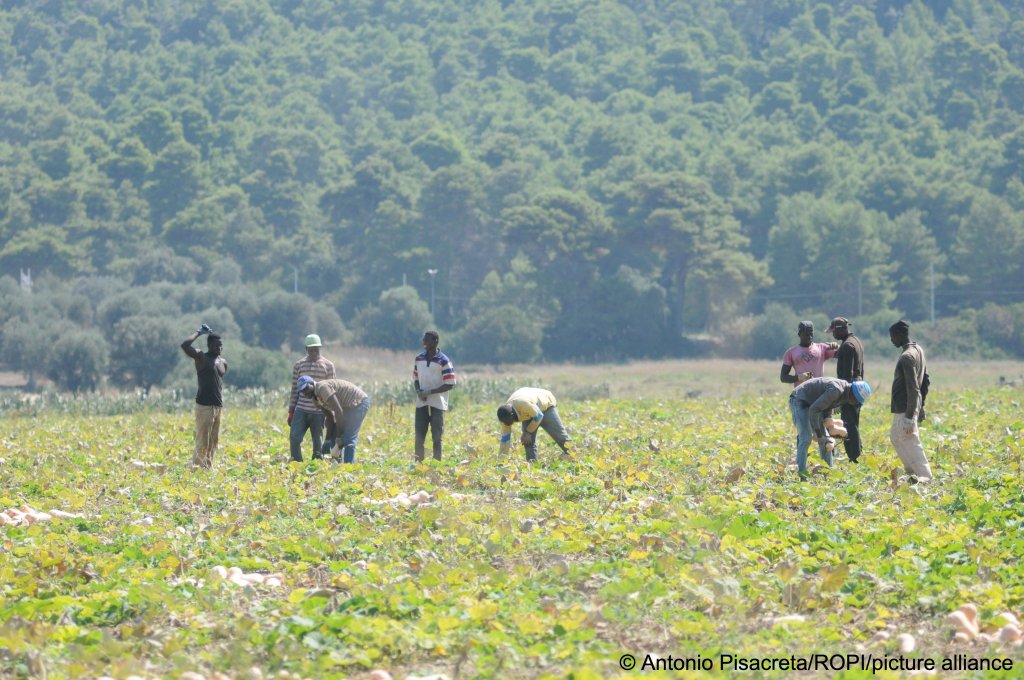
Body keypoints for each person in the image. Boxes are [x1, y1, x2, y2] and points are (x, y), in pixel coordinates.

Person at [789, 377, 872, 479]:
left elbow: (827, 406)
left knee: (827, 441)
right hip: (799, 399)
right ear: (853, 395)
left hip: (814, 404)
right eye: (856, 400)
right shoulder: (836, 390)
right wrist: (819, 434)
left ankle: (827, 475)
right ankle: (801, 475)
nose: (855, 403)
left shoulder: (844, 393)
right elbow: (814, 410)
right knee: (806, 438)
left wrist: (828, 425)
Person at [889, 320, 932, 482]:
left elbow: (913, 388)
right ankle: (912, 472)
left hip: (905, 407)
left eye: (892, 337)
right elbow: (926, 381)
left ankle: (925, 476)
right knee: (896, 437)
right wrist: (921, 407)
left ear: (900, 335)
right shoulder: (918, 350)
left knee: (910, 439)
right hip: (911, 405)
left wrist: (910, 415)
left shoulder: (907, 357)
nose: (892, 340)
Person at [180, 324, 227, 468]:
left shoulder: (223, 363)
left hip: (217, 406)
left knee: (213, 441)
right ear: (209, 345)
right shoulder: (201, 358)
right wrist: (199, 333)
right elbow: (185, 345)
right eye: (215, 345)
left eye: (220, 345)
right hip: (204, 406)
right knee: (203, 441)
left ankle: (208, 467)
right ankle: (196, 468)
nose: (218, 348)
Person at [297, 376, 371, 464]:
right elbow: (330, 418)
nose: (305, 392)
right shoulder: (315, 399)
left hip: (359, 402)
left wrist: (339, 438)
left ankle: (348, 466)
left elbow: (339, 412)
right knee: (334, 433)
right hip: (346, 407)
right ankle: (337, 462)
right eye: (302, 391)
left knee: (348, 438)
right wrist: (327, 440)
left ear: (312, 383)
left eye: (306, 388)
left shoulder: (322, 388)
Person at [287, 334, 336, 462]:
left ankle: (317, 466)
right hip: (301, 409)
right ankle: (297, 463)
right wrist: (291, 411)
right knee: (294, 438)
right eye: (311, 349)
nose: (314, 352)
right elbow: (294, 390)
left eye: (317, 349)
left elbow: (331, 391)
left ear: (320, 348)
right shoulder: (299, 365)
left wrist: (330, 414)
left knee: (317, 443)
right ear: (306, 349)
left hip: (319, 411)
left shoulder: (328, 366)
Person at [413, 330, 457, 461]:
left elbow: (450, 383)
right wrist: (419, 392)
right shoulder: (419, 359)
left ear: (435, 341)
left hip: (438, 403)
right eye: (424, 339)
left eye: (427, 340)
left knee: (437, 437)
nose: (424, 342)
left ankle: (437, 465)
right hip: (421, 402)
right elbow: (415, 378)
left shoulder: (444, 361)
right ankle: (418, 464)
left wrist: (430, 392)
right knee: (419, 436)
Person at [827, 317, 865, 463]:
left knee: (849, 426)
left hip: (849, 393)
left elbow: (846, 377)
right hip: (858, 390)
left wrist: (840, 399)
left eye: (834, 332)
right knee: (853, 424)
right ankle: (858, 455)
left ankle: (854, 458)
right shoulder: (856, 341)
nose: (833, 335)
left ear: (840, 329)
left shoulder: (848, 346)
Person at [496, 387, 571, 461]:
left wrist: (528, 432)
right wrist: (501, 461)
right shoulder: (505, 416)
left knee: (561, 437)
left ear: (513, 415)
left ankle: (576, 457)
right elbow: (505, 440)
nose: (508, 424)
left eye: (509, 422)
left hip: (544, 405)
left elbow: (539, 416)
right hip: (529, 410)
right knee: (527, 441)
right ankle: (533, 465)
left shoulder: (523, 404)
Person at [781, 320, 838, 387]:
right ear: (799, 334)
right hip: (800, 392)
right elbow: (783, 377)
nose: (809, 337)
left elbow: (843, 353)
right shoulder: (791, 352)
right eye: (806, 334)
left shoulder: (822, 348)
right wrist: (799, 377)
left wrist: (837, 346)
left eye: (811, 334)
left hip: (818, 391)